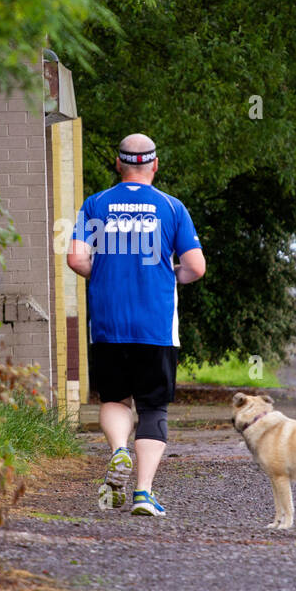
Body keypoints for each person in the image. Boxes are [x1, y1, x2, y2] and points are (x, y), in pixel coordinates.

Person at [66, 133, 205, 516]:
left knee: (114, 399)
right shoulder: (171, 207)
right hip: (156, 325)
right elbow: (196, 267)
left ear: (118, 164)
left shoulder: (95, 204)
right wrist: (167, 274)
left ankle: (119, 450)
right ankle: (143, 494)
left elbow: (76, 259)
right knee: (153, 407)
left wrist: (106, 273)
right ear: (155, 165)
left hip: (108, 323)